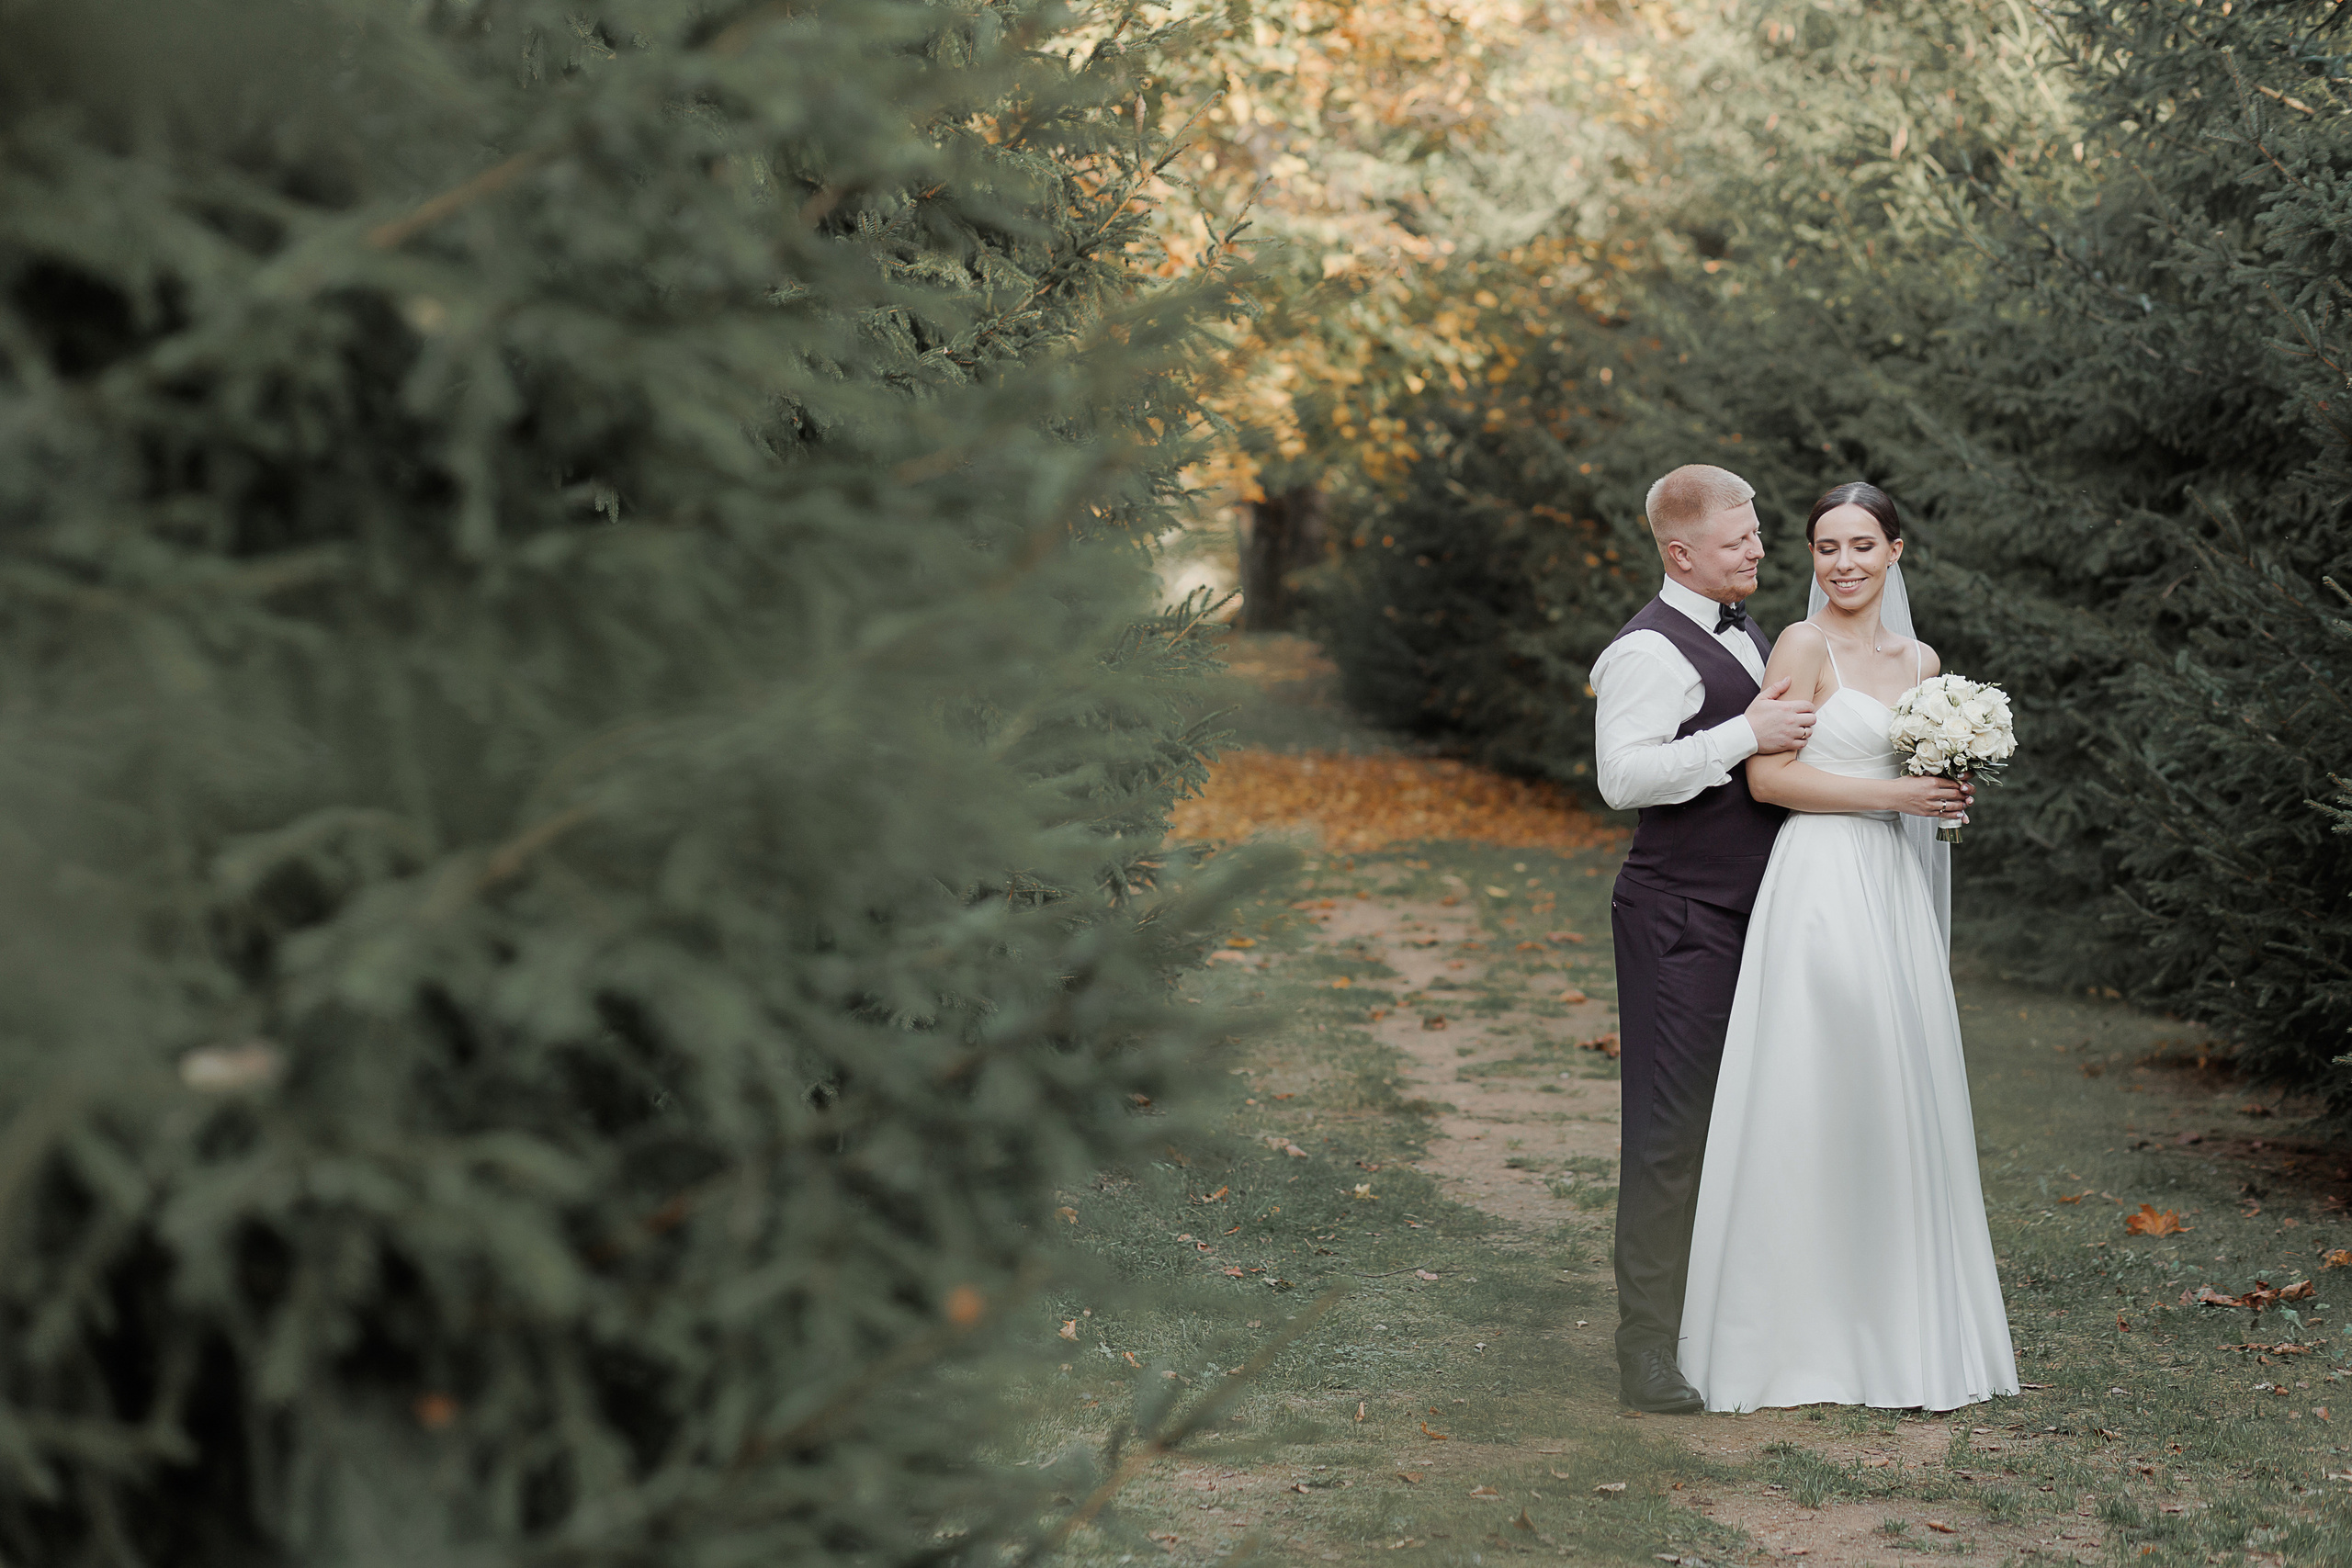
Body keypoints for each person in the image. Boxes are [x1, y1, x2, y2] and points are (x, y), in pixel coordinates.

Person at [1678, 480, 2018, 1412]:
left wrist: (1946, 793)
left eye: (1861, 544)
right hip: (1819, 884)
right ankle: (1791, 1335)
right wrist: (1894, 798)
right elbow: (1768, 778)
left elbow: (1921, 780)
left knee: (1886, 1088)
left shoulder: (1923, 661)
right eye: (1826, 547)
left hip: (1890, 892)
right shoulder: (1800, 644)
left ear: (1895, 552)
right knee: (1811, 1083)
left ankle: (1897, 1329)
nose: (1843, 563)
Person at [1589, 464, 1817, 1414]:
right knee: (1668, 1135)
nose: (1759, 550)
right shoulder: (1647, 653)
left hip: (1744, 914)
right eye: (1739, 540)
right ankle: (1643, 1350)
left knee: (1740, 1127)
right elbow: (1622, 780)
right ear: (1681, 552)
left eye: (1758, 533)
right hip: (1677, 917)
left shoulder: (1744, 623)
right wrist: (1744, 733)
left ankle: (1716, 1325)